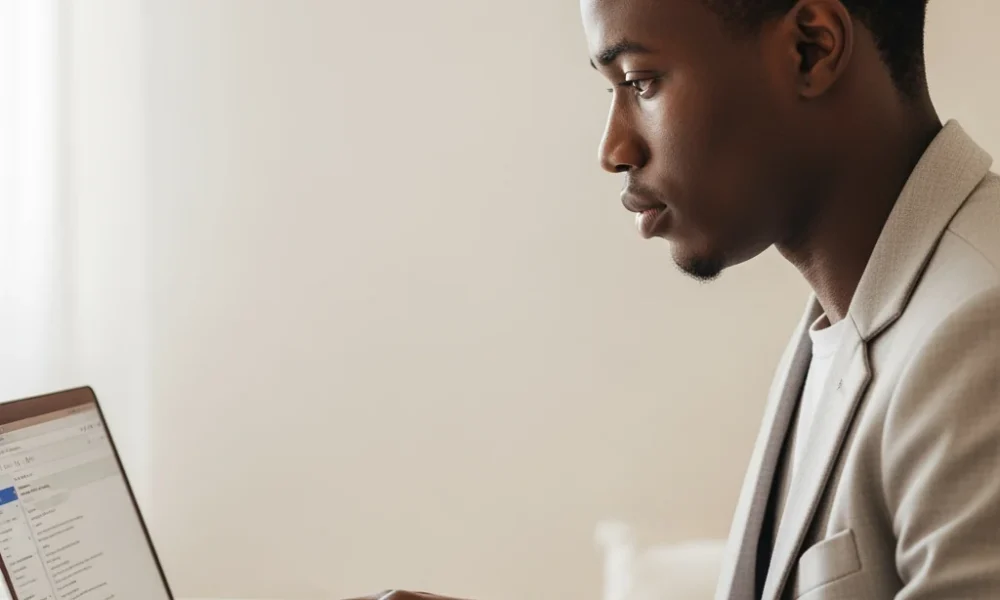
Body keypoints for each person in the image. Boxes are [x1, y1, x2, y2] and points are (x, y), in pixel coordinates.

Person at [349, 0, 1000, 599]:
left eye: (640, 81)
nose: (613, 150)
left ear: (811, 49)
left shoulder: (978, 332)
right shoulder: (855, 318)